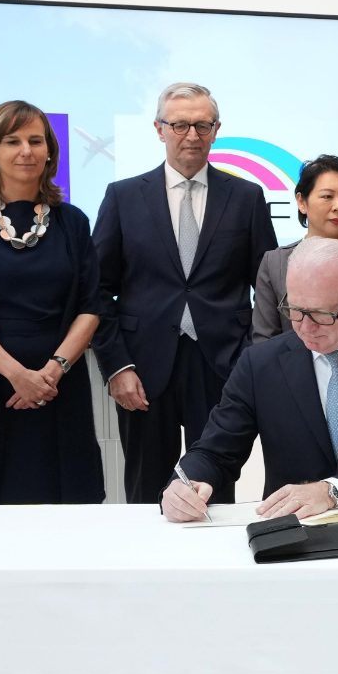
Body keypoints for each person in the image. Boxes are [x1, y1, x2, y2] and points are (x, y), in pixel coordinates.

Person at [162, 237, 338, 521]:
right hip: (295, 527)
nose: (306, 327)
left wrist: (332, 491)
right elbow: (215, 451)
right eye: (295, 311)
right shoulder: (260, 363)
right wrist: (185, 484)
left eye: (321, 314)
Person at [91, 82, 278, 504]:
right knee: (146, 491)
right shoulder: (123, 197)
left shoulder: (246, 197)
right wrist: (117, 367)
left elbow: (267, 285)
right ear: (159, 129)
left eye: (202, 125)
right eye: (179, 125)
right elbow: (97, 290)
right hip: (141, 367)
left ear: (216, 130)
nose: (191, 135)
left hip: (223, 365)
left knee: (215, 487)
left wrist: (251, 358)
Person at [0, 101, 105, 504]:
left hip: (57, 385)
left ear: (49, 152)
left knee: (66, 509)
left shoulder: (73, 222)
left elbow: (91, 306)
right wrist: (17, 375)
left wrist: (52, 372)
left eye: (35, 140)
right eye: (12, 141)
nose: (26, 151)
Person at [252, 156, 338, 342]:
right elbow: (264, 339)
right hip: (289, 360)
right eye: (327, 196)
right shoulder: (275, 262)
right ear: (302, 202)